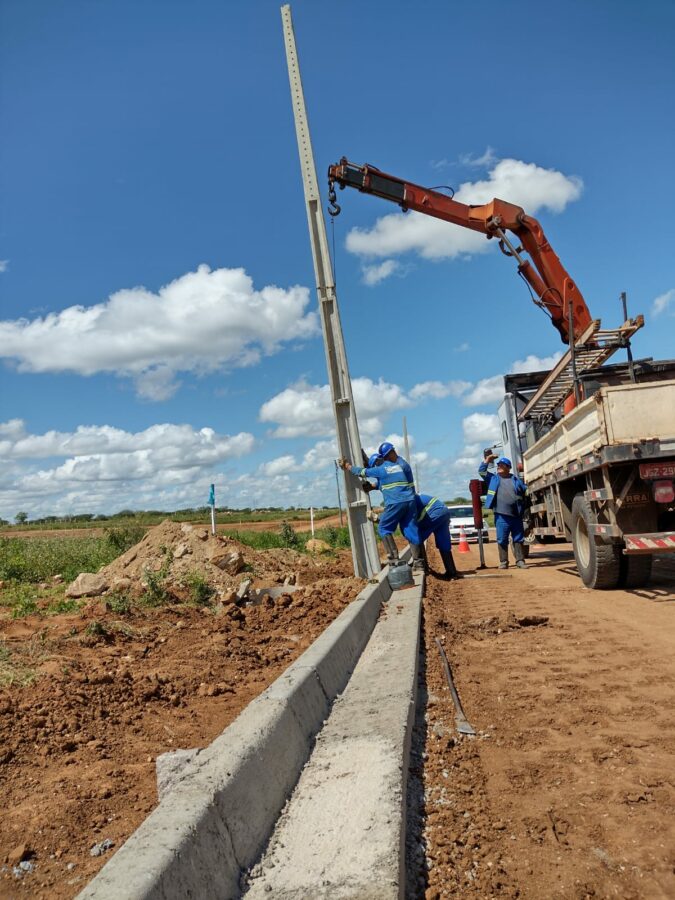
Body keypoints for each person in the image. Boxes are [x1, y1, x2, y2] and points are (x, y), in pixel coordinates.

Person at [338, 441, 424, 570]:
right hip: (410, 501)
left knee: (384, 528)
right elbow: (384, 483)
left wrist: (348, 466)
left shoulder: (380, 469)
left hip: (396, 502)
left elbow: (362, 472)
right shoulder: (397, 467)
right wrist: (372, 487)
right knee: (411, 530)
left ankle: (394, 561)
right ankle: (419, 563)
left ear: (377, 463)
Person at [478, 451, 528, 569]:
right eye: (498, 465)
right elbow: (481, 471)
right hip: (501, 515)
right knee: (502, 538)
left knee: (518, 538)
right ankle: (504, 562)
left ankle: (520, 561)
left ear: (508, 468)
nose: (499, 466)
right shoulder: (493, 478)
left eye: (502, 465)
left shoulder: (515, 480)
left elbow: (525, 491)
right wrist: (488, 459)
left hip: (516, 515)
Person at [404, 494, 462, 579]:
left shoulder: (405, 500)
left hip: (434, 512)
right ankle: (451, 572)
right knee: (444, 542)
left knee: (416, 536)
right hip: (444, 512)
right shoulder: (411, 496)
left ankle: (421, 565)